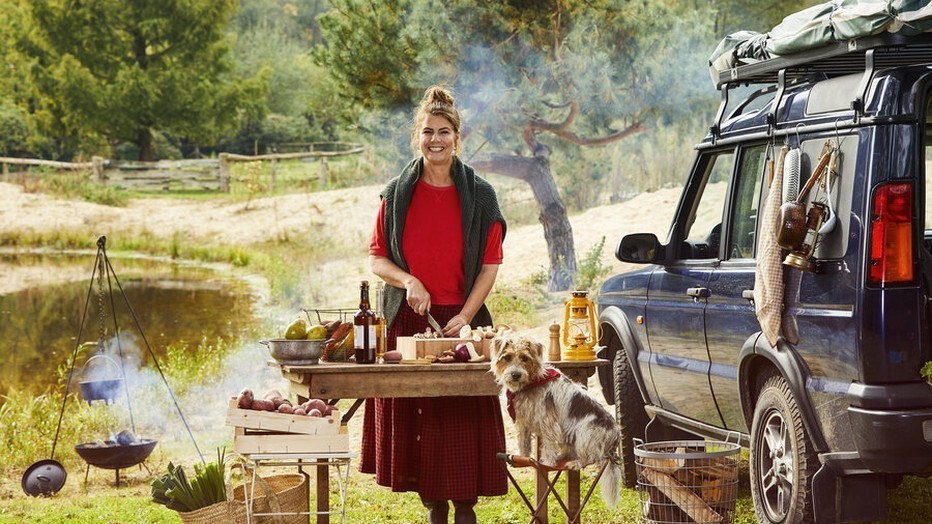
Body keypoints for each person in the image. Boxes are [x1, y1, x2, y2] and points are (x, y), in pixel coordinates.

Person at [360, 85, 507, 524]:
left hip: (463, 324)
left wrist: (464, 315)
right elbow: (376, 257)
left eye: (444, 131)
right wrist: (408, 280)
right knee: (422, 420)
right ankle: (433, 508)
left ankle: (465, 508)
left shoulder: (481, 195)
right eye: (427, 132)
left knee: (460, 416)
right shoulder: (396, 194)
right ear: (417, 138)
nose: (435, 139)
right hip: (411, 320)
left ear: (457, 138)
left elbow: (489, 265)